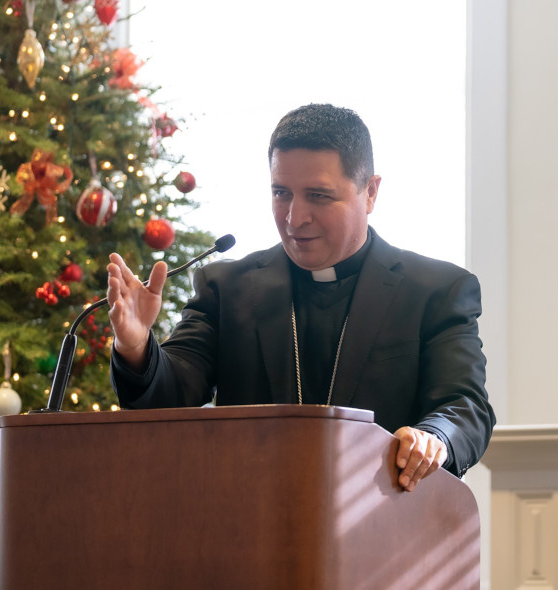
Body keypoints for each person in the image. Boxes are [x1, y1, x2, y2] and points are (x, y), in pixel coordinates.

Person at [106, 103, 495, 491]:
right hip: (250, 524)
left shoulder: (435, 291)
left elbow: (465, 406)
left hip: (383, 524)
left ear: (370, 192)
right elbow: (172, 394)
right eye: (281, 193)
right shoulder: (227, 288)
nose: (294, 218)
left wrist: (434, 438)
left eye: (319, 196)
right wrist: (137, 347)